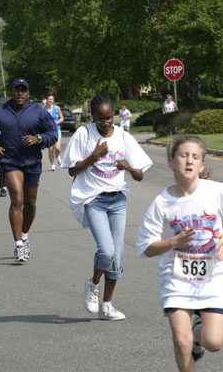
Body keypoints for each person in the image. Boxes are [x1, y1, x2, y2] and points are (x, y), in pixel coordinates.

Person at [62, 93, 153, 320]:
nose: (105, 123)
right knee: (107, 250)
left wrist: (129, 168)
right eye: (100, 119)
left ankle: (107, 305)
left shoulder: (123, 136)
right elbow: (72, 170)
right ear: (92, 117)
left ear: (114, 115)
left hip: (118, 200)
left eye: (109, 118)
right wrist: (94, 156)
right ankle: (93, 284)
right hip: (94, 199)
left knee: (118, 254)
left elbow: (140, 175)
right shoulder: (84, 134)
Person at [137, 135, 223, 371]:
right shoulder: (161, 203)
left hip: (212, 277)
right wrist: (173, 241)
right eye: (183, 155)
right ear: (172, 161)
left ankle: (199, 332)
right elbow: (146, 246)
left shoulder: (216, 192)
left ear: (202, 165)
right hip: (177, 279)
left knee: (214, 342)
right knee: (181, 342)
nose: (189, 161)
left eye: (195, 157)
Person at [0, 78, 58, 262]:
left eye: (24, 90)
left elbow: (52, 133)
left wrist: (38, 138)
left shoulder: (38, 112)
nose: (20, 93)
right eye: (17, 90)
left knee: (30, 203)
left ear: (28, 93)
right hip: (10, 161)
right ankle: (18, 246)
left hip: (32, 161)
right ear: (12, 92)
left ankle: (24, 235)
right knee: (17, 199)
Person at [46, 94, 64, 171]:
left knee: (57, 148)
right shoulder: (44, 110)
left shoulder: (57, 108)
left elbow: (62, 118)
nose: (50, 101)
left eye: (52, 99)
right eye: (49, 99)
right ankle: (53, 165)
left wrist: (55, 123)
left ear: (53, 101)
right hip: (48, 132)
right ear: (47, 100)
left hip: (57, 130)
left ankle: (58, 156)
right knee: (50, 149)